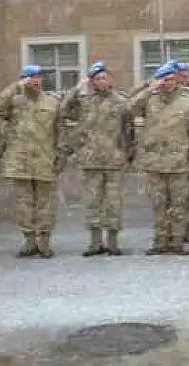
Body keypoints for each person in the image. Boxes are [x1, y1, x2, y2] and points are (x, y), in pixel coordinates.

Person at [58, 61, 133, 257]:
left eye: (104, 77)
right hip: (91, 161)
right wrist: (77, 89)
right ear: (91, 82)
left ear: (110, 80)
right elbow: (63, 111)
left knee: (113, 203)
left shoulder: (121, 102)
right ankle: (95, 243)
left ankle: (113, 243)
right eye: (97, 78)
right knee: (93, 202)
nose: (102, 81)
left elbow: (129, 129)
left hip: (114, 161)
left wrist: (127, 154)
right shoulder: (85, 102)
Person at [130, 61, 189, 255]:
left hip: (179, 161)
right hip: (155, 162)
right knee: (159, 204)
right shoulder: (150, 99)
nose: (168, 83)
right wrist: (148, 89)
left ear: (177, 79)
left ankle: (178, 242)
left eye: (171, 79)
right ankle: (160, 242)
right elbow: (129, 109)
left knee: (179, 204)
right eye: (164, 80)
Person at [0, 64, 62, 259]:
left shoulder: (52, 102)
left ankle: (44, 242)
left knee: (45, 204)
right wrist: (15, 86)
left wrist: (59, 157)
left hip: (44, 159)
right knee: (23, 204)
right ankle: (29, 242)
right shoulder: (14, 101)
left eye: (38, 77)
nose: (36, 81)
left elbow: (60, 131)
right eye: (31, 77)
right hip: (20, 161)